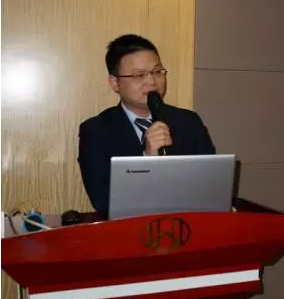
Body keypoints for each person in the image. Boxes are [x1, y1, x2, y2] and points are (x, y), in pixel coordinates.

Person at [77, 34, 216, 216]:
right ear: (115, 83)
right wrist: (148, 158)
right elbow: (103, 202)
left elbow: (212, 184)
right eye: (139, 75)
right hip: (130, 230)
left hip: (187, 225)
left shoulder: (188, 121)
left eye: (157, 72)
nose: (152, 82)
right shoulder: (95, 131)